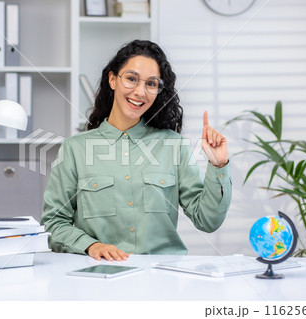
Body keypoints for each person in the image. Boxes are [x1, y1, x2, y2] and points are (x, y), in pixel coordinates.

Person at [41, 40, 231, 261]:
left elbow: (207, 221)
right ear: (113, 80)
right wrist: (90, 245)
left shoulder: (174, 146)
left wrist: (218, 166)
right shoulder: (75, 149)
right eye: (131, 79)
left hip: (162, 278)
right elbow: (54, 224)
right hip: (99, 277)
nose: (140, 92)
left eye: (151, 84)